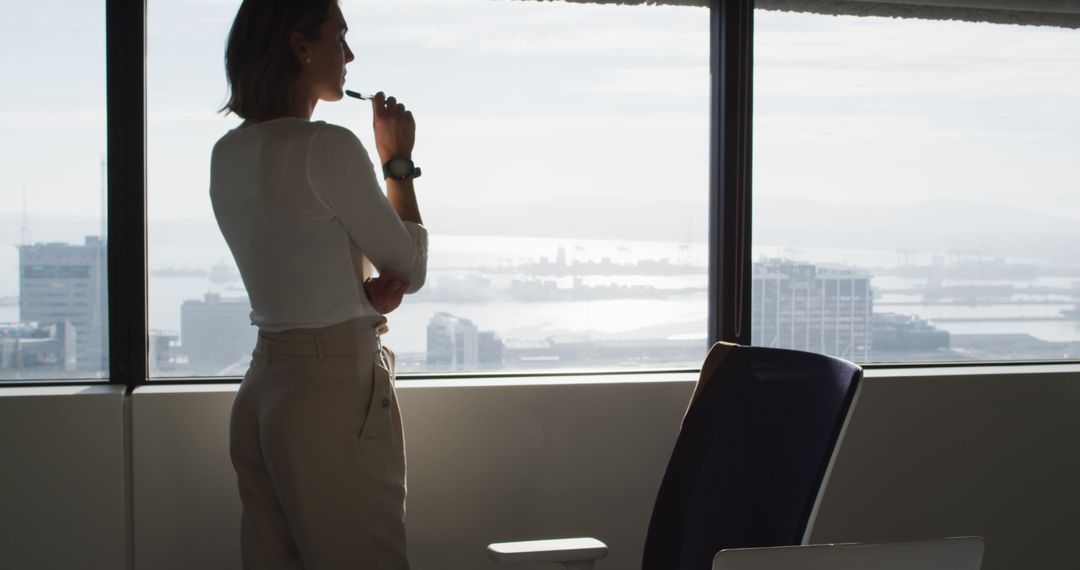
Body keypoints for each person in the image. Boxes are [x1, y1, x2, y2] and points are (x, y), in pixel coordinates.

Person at [209, 0, 427, 568]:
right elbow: (409, 264)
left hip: (265, 392)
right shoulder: (325, 147)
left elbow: (295, 265)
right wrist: (397, 162)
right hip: (331, 395)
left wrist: (361, 293)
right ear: (301, 46)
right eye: (340, 38)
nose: (349, 55)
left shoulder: (227, 153)